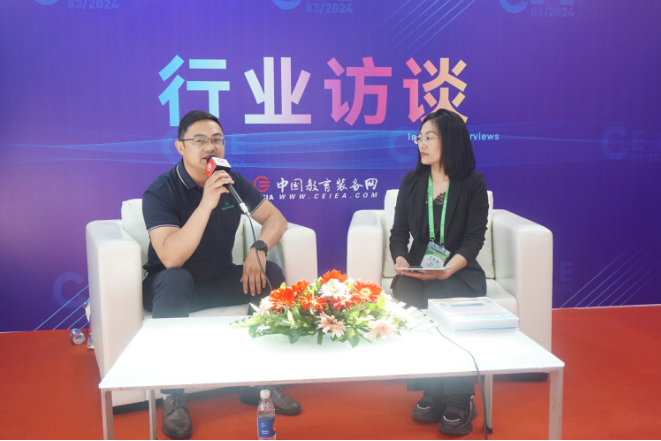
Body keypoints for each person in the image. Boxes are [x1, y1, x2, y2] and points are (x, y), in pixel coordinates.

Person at [141, 110, 301, 439]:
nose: (209, 147)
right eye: (199, 140)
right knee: (176, 278)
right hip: (170, 285)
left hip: (216, 278)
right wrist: (207, 201)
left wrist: (258, 249)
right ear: (180, 147)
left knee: (270, 274)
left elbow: (277, 220)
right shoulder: (161, 191)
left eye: (216, 140)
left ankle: (259, 382)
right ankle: (173, 395)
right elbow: (171, 257)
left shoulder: (233, 181)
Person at [389, 109, 488, 435]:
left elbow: (473, 240)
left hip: (458, 272)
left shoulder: (472, 184)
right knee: (407, 290)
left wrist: (446, 270)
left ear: (451, 140)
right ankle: (432, 386)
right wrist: (401, 260)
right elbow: (398, 233)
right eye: (420, 137)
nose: (422, 143)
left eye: (429, 137)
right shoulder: (412, 182)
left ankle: (460, 395)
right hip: (418, 271)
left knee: (440, 293)